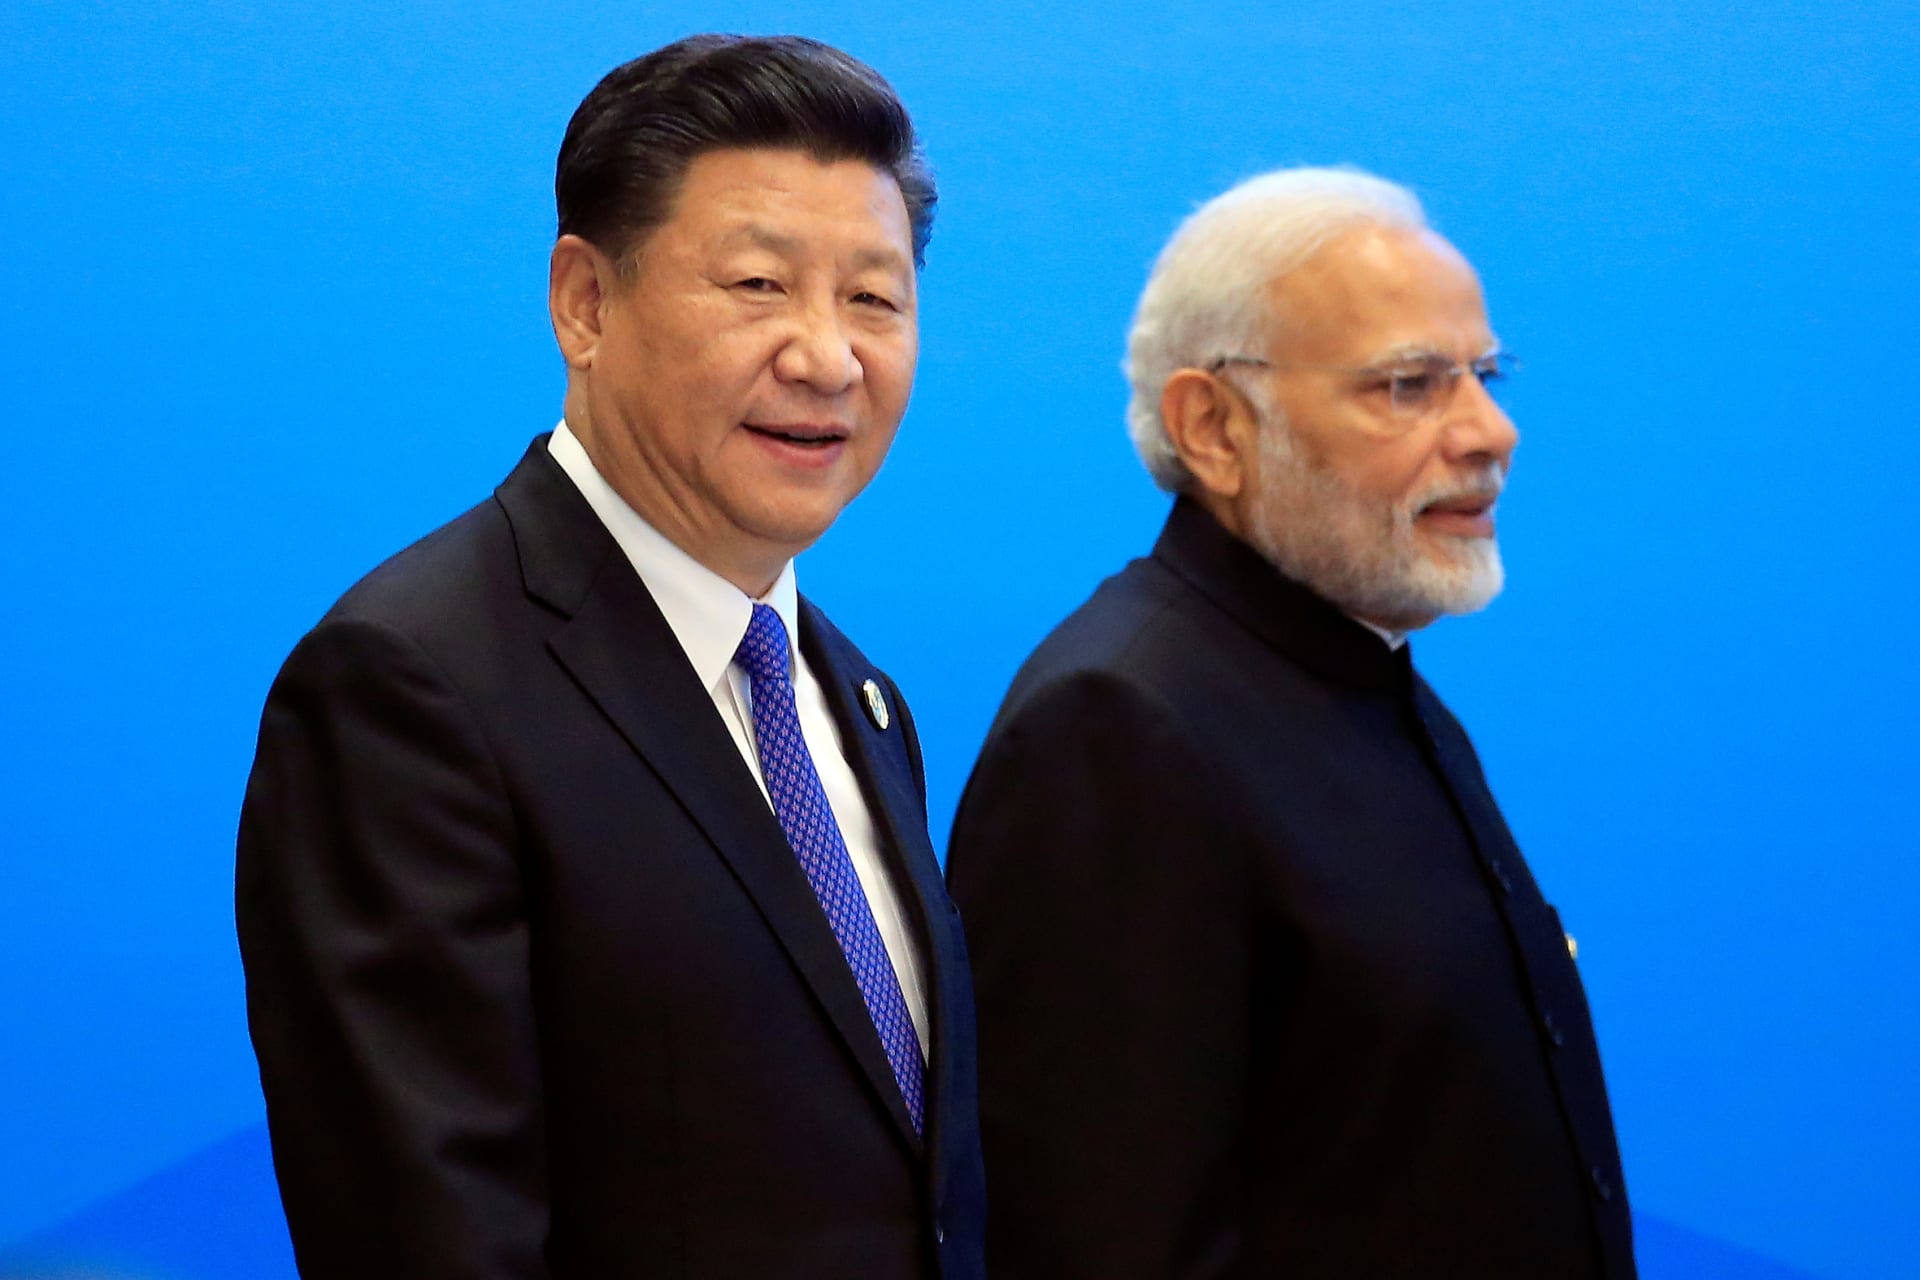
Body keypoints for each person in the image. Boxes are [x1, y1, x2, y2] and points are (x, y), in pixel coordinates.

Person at [236, 35, 984, 1280]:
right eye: (757, 284)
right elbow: (429, 1237)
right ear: (585, 302)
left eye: (874, 298)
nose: (826, 356)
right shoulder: (411, 687)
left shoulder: (858, 699)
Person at [945, 167, 1635, 1278]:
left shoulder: (1361, 667)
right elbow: (1097, 1237)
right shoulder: (1118, 727)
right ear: (1213, 426)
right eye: (1411, 385)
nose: (1490, 431)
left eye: (1485, 374)